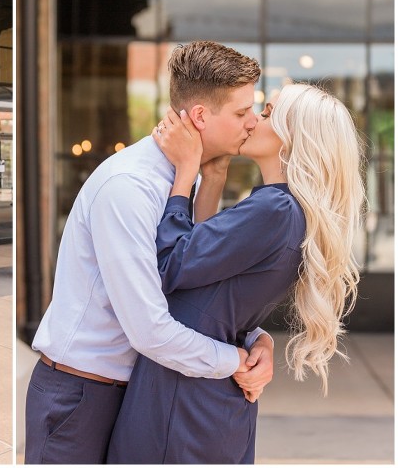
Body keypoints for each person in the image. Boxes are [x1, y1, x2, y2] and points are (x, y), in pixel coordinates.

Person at [24, 41, 275, 464]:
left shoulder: (189, 180)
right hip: (81, 397)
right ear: (200, 116)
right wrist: (236, 360)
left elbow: (195, 293)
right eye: (241, 112)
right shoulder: (129, 187)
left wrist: (258, 341)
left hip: (140, 391)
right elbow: (150, 330)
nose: (252, 121)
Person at [107, 83, 364, 463]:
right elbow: (208, 275)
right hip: (208, 397)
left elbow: (169, 265)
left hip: (183, 400)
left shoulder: (274, 209)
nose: (253, 120)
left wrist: (185, 174)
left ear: (291, 137)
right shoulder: (289, 211)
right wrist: (212, 180)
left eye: (267, 113)